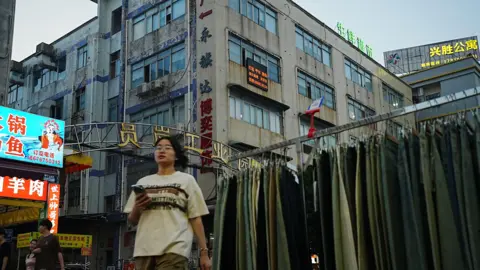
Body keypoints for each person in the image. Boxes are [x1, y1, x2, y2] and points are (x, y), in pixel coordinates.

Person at [124, 136, 212, 270]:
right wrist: (138, 206)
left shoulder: (187, 180)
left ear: (176, 155)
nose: (162, 150)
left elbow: (195, 218)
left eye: (167, 148)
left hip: (174, 248)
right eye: (158, 148)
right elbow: (132, 220)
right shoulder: (143, 182)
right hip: (144, 249)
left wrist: (204, 252)